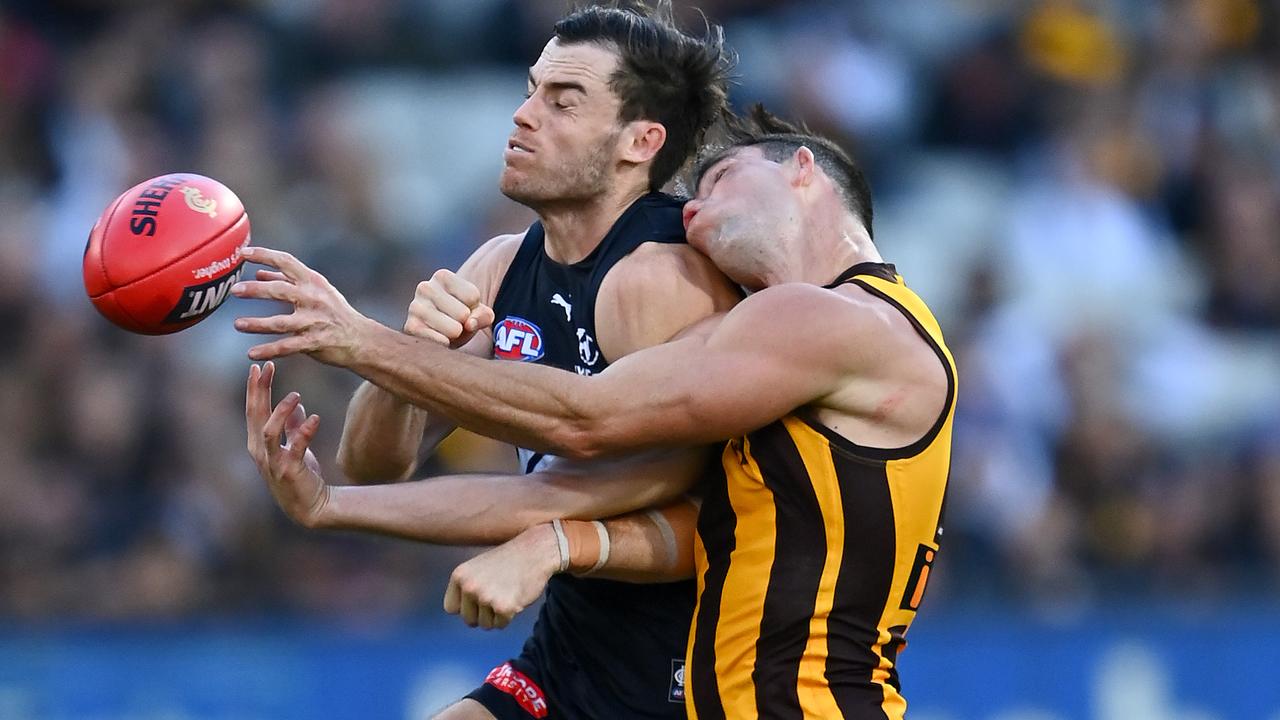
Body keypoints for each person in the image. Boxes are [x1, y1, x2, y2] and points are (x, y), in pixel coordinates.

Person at [235, 105, 955, 719]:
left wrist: (363, 340)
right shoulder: (788, 348)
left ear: (804, 171)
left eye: (722, 179)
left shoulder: (835, 319)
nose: (693, 208)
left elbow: (589, 418)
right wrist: (333, 503)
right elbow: (693, 527)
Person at [238, 3, 739, 719]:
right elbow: (377, 460)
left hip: (691, 678)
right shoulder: (500, 267)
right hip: (568, 659)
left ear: (640, 140)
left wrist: (367, 348)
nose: (524, 115)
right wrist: (412, 363)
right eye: (531, 89)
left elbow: (592, 473)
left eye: (563, 102)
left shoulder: (663, 277)